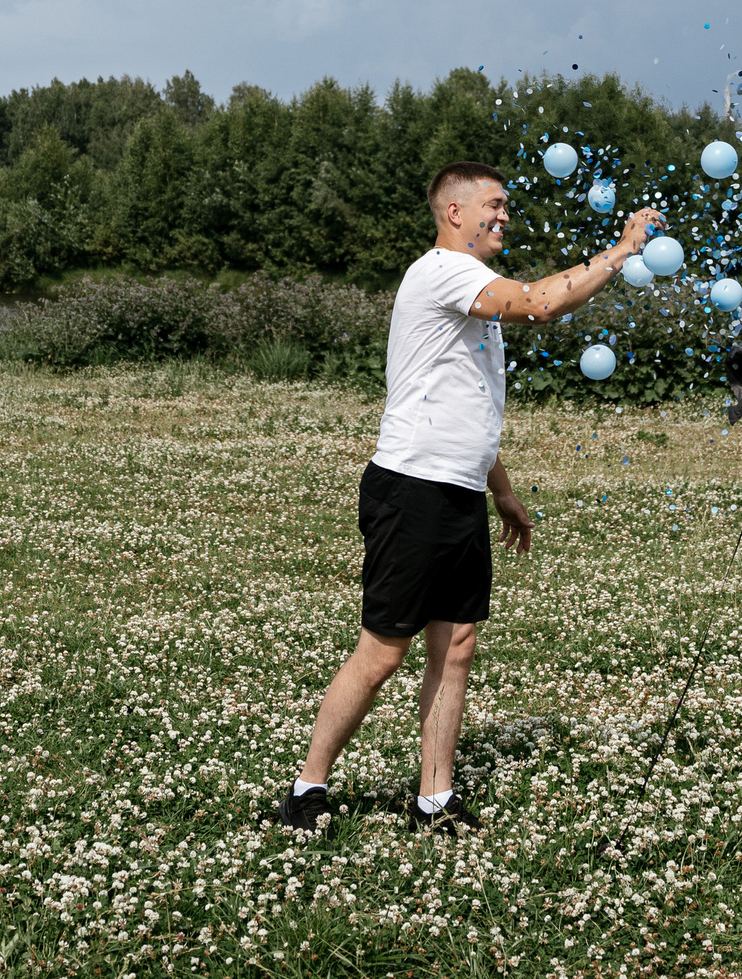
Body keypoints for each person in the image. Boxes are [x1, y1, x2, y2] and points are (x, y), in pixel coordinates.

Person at [276, 160, 662, 836]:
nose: (505, 216)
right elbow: (541, 301)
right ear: (454, 212)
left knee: (455, 646)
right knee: (383, 651)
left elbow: (469, 403)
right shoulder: (444, 272)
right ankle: (305, 789)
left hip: (457, 491)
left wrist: (503, 491)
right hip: (412, 489)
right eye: (495, 204)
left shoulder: (471, 291)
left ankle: (434, 799)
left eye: (506, 206)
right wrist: (621, 251)